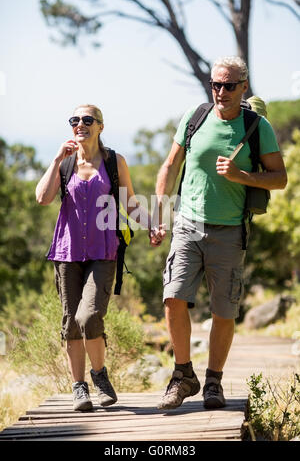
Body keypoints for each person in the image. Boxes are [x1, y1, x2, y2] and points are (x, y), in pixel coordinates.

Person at [154, 56, 287, 410]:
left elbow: (280, 178)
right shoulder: (194, 118)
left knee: (223, 311)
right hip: (187, 224)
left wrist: (242, 176)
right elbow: (170, 165)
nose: (221, 91)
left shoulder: (258, 127)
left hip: (229, 230)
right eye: (216, 84)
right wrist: (159, 214)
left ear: (244, 86)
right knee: (172, 298)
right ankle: (183, 375)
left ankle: (213, 381)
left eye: (229, 85)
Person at [36, 103, 160, 411]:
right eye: (75, 120)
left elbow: (129, 204)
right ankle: (80, 388)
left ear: (100, 126)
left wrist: (152, 224)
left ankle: (99, 374)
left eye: (87, 119)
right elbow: (42, 198)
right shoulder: (65, 164)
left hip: (103, 252)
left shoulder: (114, 162)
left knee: (88, 316)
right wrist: (55, 159)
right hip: (67, 252)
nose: (80, 124)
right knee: (70, 322)